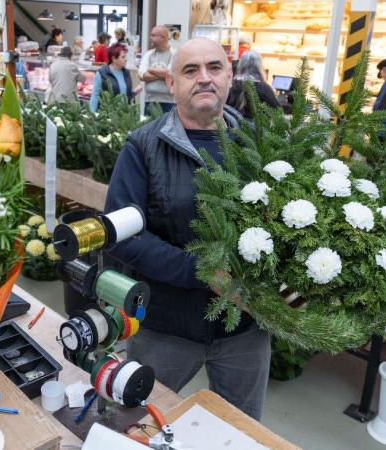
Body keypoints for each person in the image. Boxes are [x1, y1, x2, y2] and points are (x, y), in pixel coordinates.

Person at [103, 38, 270, 421]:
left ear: (229, 76)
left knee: (241, 429)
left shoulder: (258, 144)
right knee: (138, 421)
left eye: (214, 67)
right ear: (172, 83)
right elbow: (122, 236)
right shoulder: (143, 148)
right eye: (190, 70)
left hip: (244, 329)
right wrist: (204, 273)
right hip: (166, 329)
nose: (204, 78)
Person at [226, 50, 281, 119]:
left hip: (232, 124)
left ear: (241, 64)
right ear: (259, 66)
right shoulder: (263, 87)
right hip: (256, 125)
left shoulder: (231, 85)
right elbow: (278, 111)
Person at [138, 25, 175, 113]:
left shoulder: (174, 54)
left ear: (163, 37)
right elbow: (142, 75)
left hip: (169, 102)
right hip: (150, 101)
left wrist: (150, 69)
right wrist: (163, 75)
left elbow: (171, 74)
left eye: (153, 35)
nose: (150, 38)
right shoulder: (148, 54)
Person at [89, 43, 133, 112]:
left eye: (125, 56)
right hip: (107, 114)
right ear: (114, 59)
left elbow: (127, 94)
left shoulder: (126, 72)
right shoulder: (102, 73)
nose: (126, 59)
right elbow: (95, 94)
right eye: (123, 57)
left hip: (124, 114)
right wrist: (92, 114)